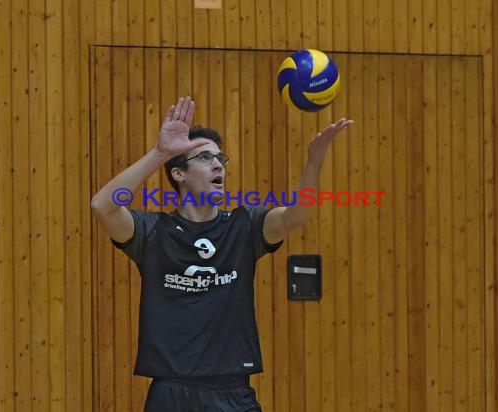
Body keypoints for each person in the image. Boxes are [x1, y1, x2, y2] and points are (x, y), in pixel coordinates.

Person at [91, 96, 353, 411]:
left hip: (232, 394)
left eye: (220, 159)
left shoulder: (244, 227)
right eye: (204, 158)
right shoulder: (152, 232)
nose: (218, 165)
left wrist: (314, 161)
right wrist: (160, 153)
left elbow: (295, 216)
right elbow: (102, 205)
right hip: (170, 395)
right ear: (179, 174)